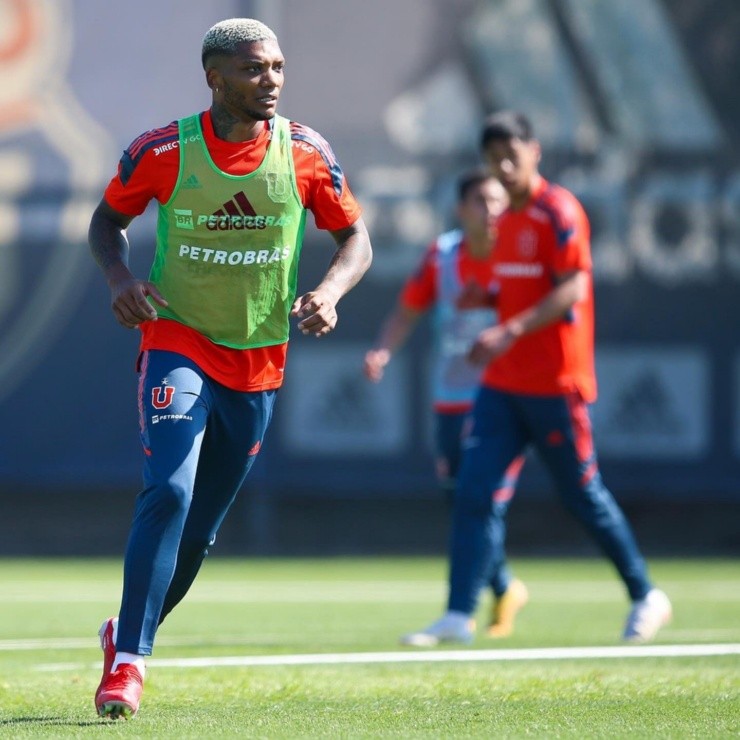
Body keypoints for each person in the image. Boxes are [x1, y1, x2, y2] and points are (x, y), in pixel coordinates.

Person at [87, 18, 372, 719]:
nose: (270, 80)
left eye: (276, 67)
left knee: (199, 532)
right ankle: (128, 666)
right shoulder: (163, 151)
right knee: (169, 491)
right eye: (252, 68)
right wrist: (120, 277)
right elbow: (106, 221)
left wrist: (330, 293)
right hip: (178, 341)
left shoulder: (306, 152)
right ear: (214, 78)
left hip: (258, 359)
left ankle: (124, 631)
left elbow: (355, 239)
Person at [402, 111, 671, 647]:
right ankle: (458, 614)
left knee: (582, 495)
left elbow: (572, 289)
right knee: (472, 493)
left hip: (555, 383)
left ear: (534, 151)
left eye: (511, 155)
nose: (503, 167)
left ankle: (646, 594)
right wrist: (486, 302)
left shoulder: (558, 211)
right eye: (493, 158)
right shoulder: (502, 221)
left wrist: (509, 329)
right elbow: (512, 287)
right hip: (502, 386)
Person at [363, 169, 528, 643]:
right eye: (481, 201)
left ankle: (461, 612)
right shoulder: (444, 256)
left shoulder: (519, 255)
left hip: (501, 398)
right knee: (461, 500)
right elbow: (407, 311)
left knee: (482, 500)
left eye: (498, 200)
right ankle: (504, 586)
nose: (491, 209)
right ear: (462, 209)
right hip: (451, 400)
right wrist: (382, 350)